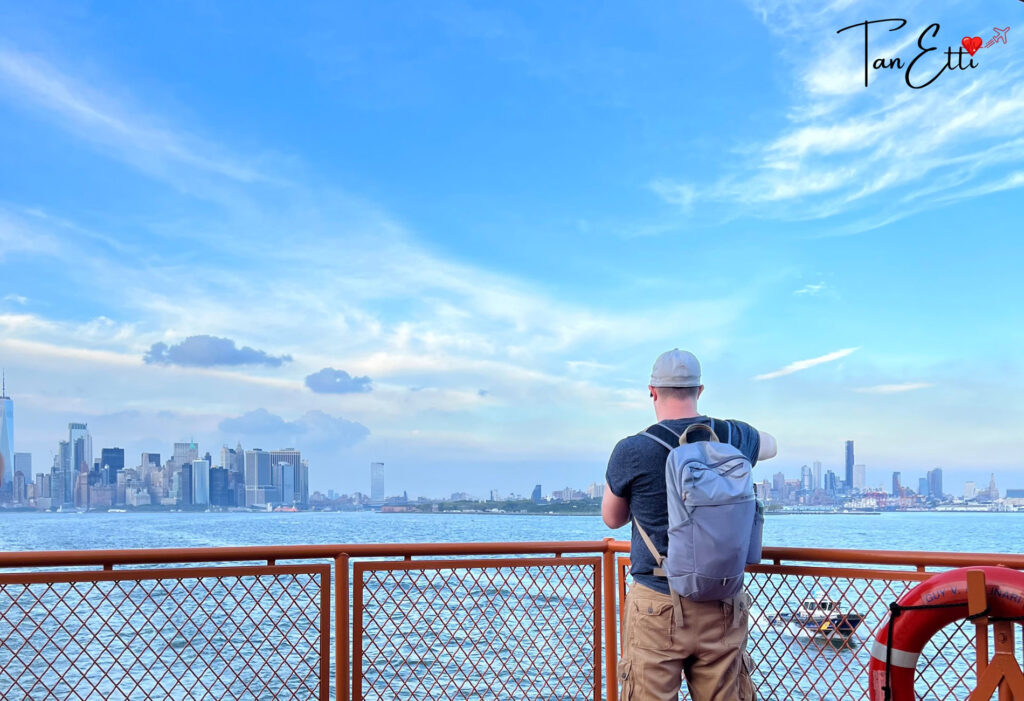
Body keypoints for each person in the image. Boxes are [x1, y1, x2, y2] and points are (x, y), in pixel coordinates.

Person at [603, 349, 777, 701]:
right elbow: (772, 445)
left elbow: (613, 518)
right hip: (723, 597)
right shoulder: (733, 435)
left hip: (657, 600)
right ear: (699, 390)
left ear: (652, 391)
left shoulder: (632, 449)